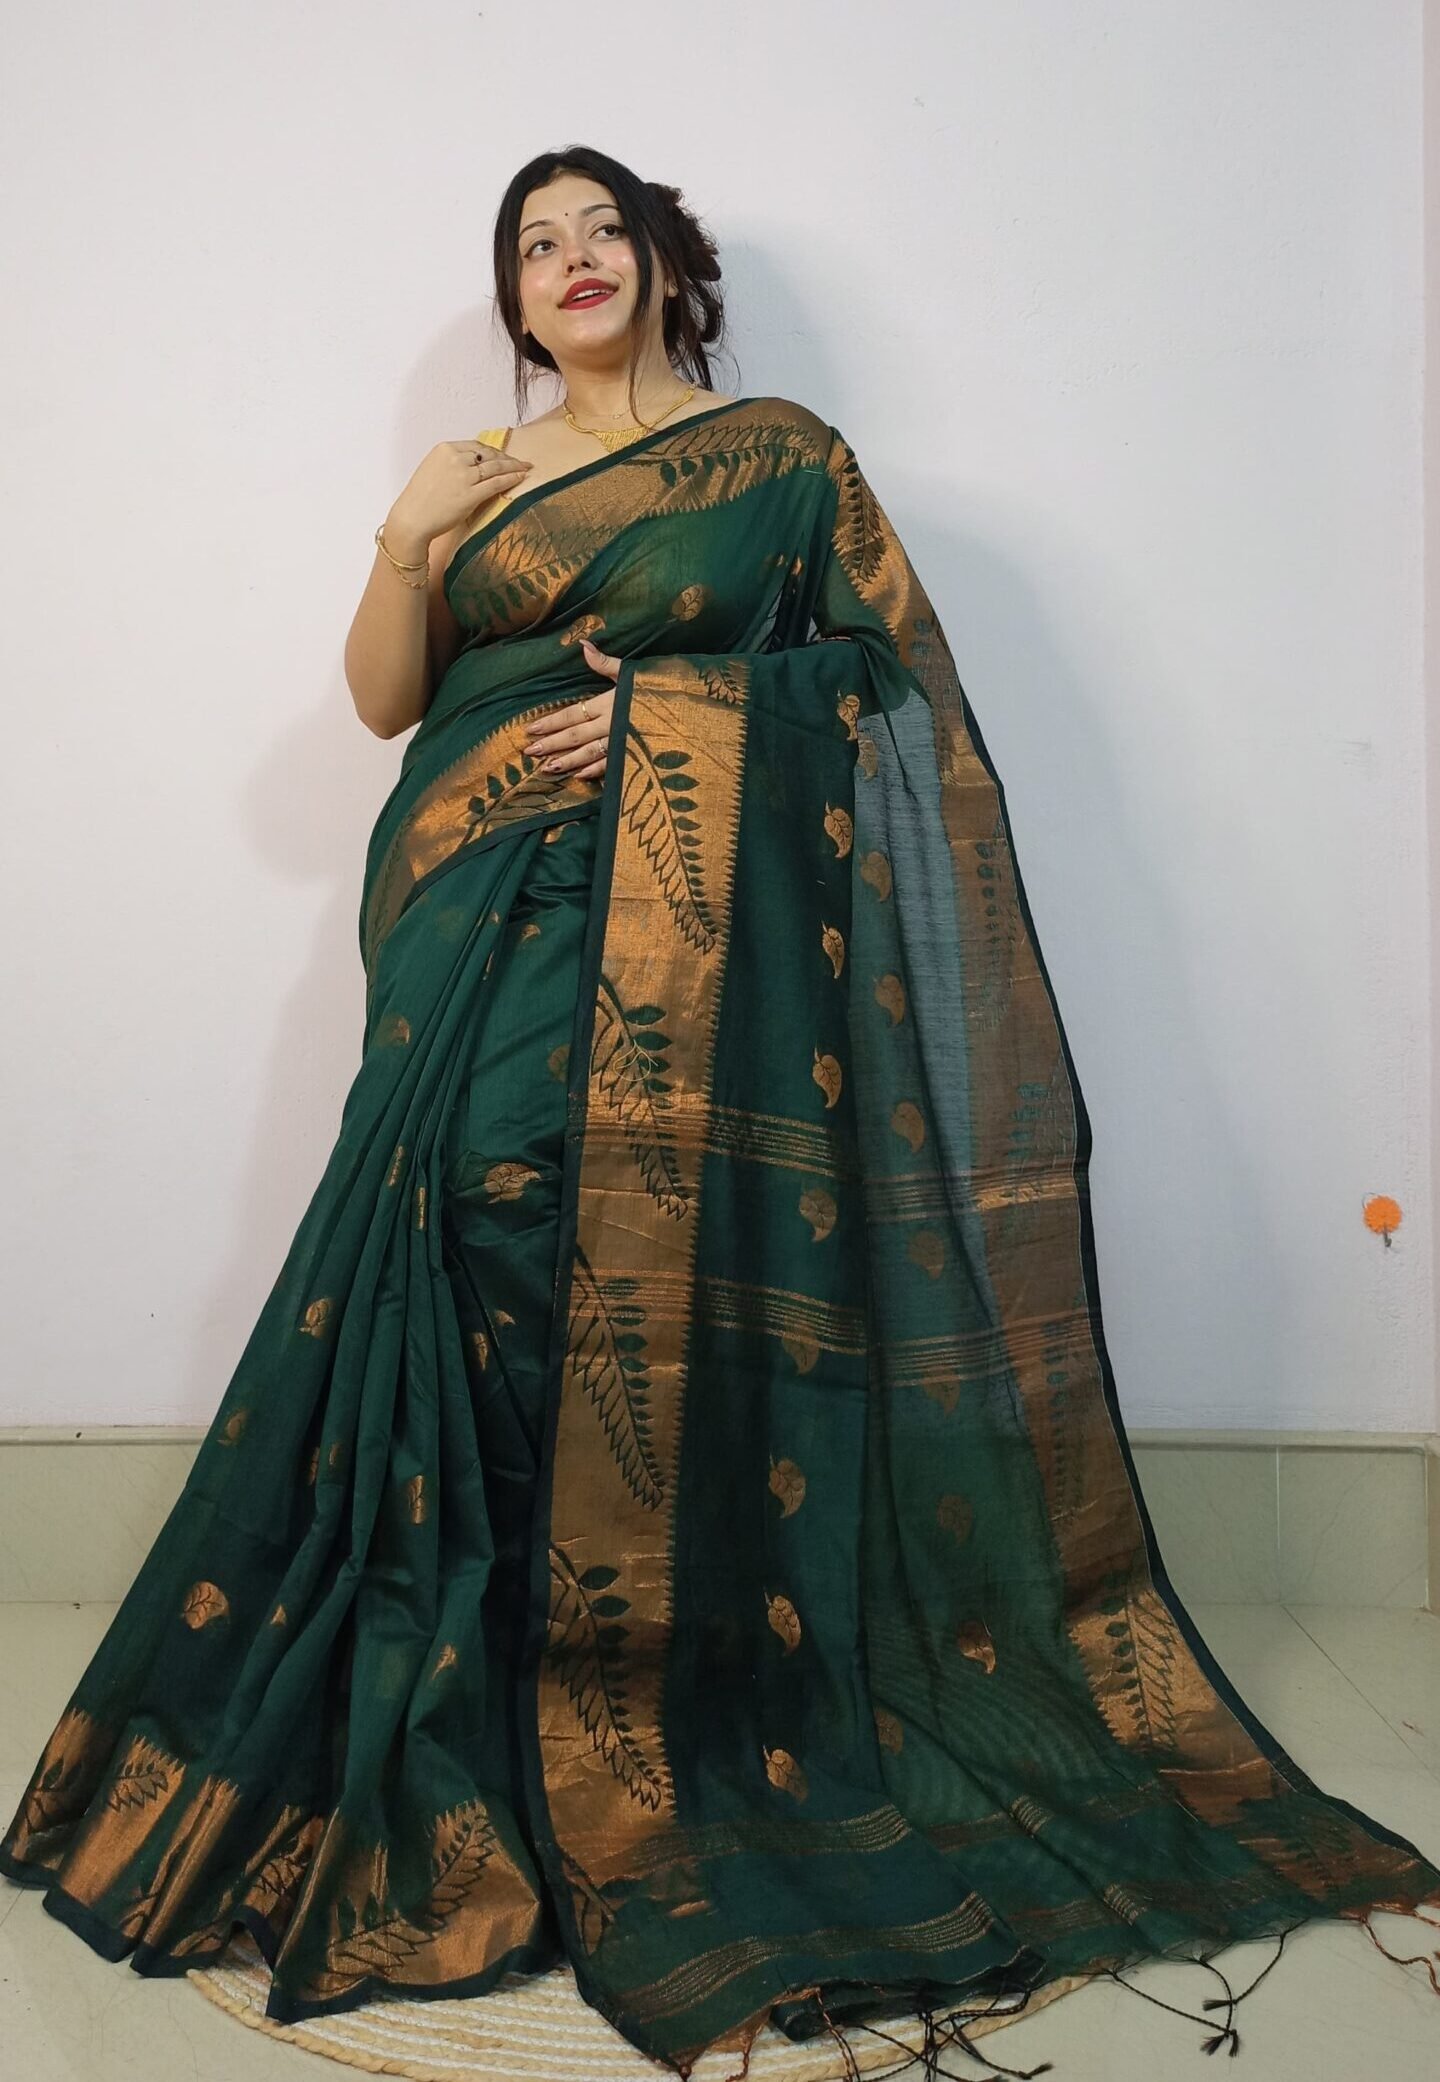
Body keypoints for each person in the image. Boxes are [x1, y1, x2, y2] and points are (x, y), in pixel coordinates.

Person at [4, 143, 1440, 2082]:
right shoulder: (481, 479)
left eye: (601, 227)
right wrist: (401, 540)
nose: (571, 259)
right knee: (475, 1228)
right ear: (516, 304)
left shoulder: (783, 462)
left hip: (690, 956)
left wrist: (673, 724)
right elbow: (386, 704)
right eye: (535, 244)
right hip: (477, 922)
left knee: (615, 1281)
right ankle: (476, 1715)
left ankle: (641, 1696)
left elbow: (885, 686)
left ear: (668, 264)